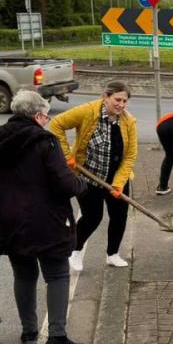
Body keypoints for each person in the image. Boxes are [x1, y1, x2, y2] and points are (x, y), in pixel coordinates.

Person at [0, 90, 87, 344]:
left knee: (23, 274)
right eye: (46, 116)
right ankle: (57, 337)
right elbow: (64, 184)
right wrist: (82, 184)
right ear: (37, 116)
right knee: (56, 274)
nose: (47, 121)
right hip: (45, 221)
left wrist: (0, 207)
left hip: (7, 222)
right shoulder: (45, 141)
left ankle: (29, 332)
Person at [48, 80, 138, 271]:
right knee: (92, 217)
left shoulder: (128, 122)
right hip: (88, 176)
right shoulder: (88, 111)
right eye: (117, 100)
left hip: (116, 178)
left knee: (119, 216)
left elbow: (130, 155)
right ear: (105, 97)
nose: (121, 105)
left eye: (124, 101)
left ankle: (112, 254)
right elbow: (56, 124)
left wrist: (119, 183)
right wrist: (66, 156)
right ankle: (76, 251)